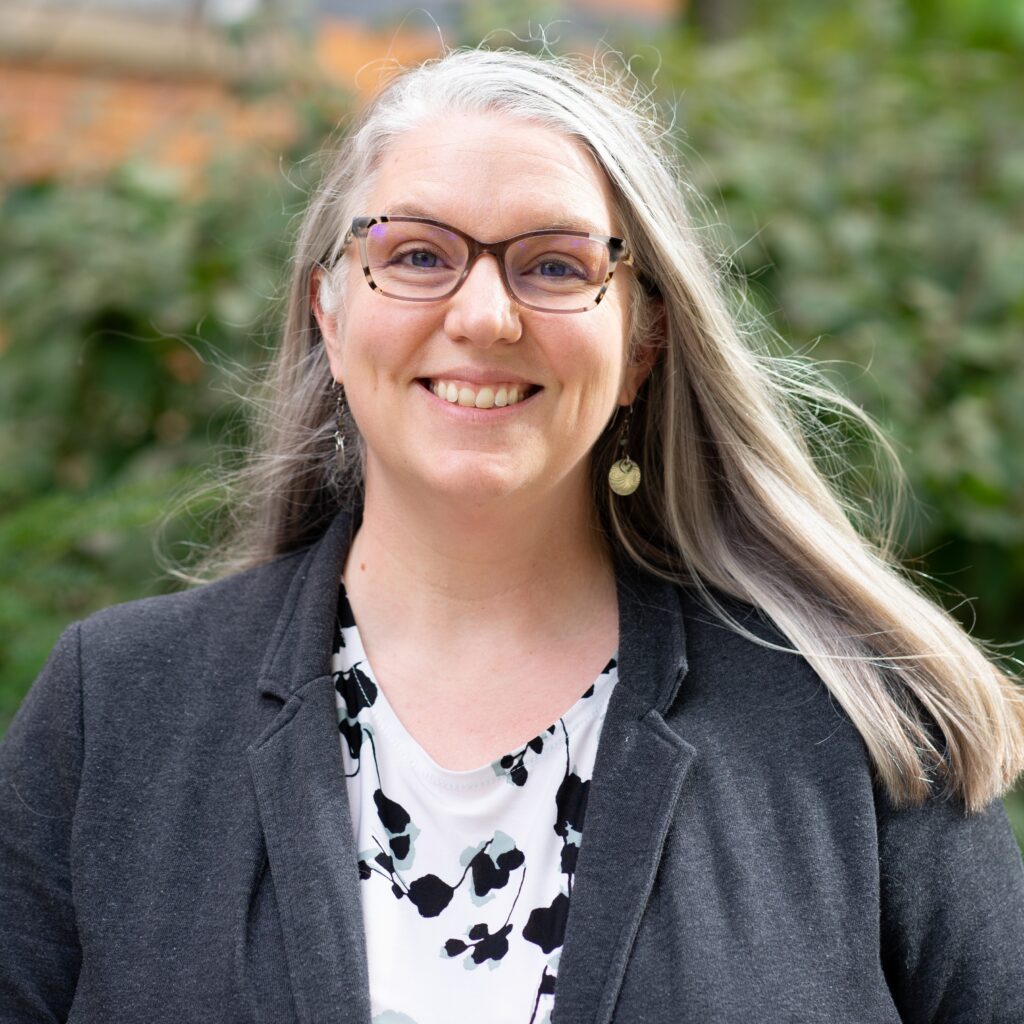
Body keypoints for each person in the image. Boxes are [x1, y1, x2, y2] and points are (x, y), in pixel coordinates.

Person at [2, 46, 1023, 1024]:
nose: (484, 314)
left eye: (552, 264)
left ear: (640, 342)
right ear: (329, 311)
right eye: (414, 254)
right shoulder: (116, 710)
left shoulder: (851, 721)